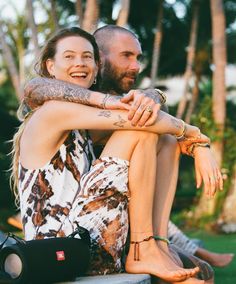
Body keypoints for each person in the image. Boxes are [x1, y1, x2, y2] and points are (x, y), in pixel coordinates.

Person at [10, 26, 220, 282]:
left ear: (97, 66)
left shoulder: (82, 124)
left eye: (87, 57)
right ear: (50, 66)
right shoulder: (53, 111)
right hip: (60, 248)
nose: (80, 63)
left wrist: (166, 115)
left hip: (92, 238)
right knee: (140, 130)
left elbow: (155, 125)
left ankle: (156, 244)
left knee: (163, 139)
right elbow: (140, 121)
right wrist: (197, 138)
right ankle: (143, 248)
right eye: (69, 56)